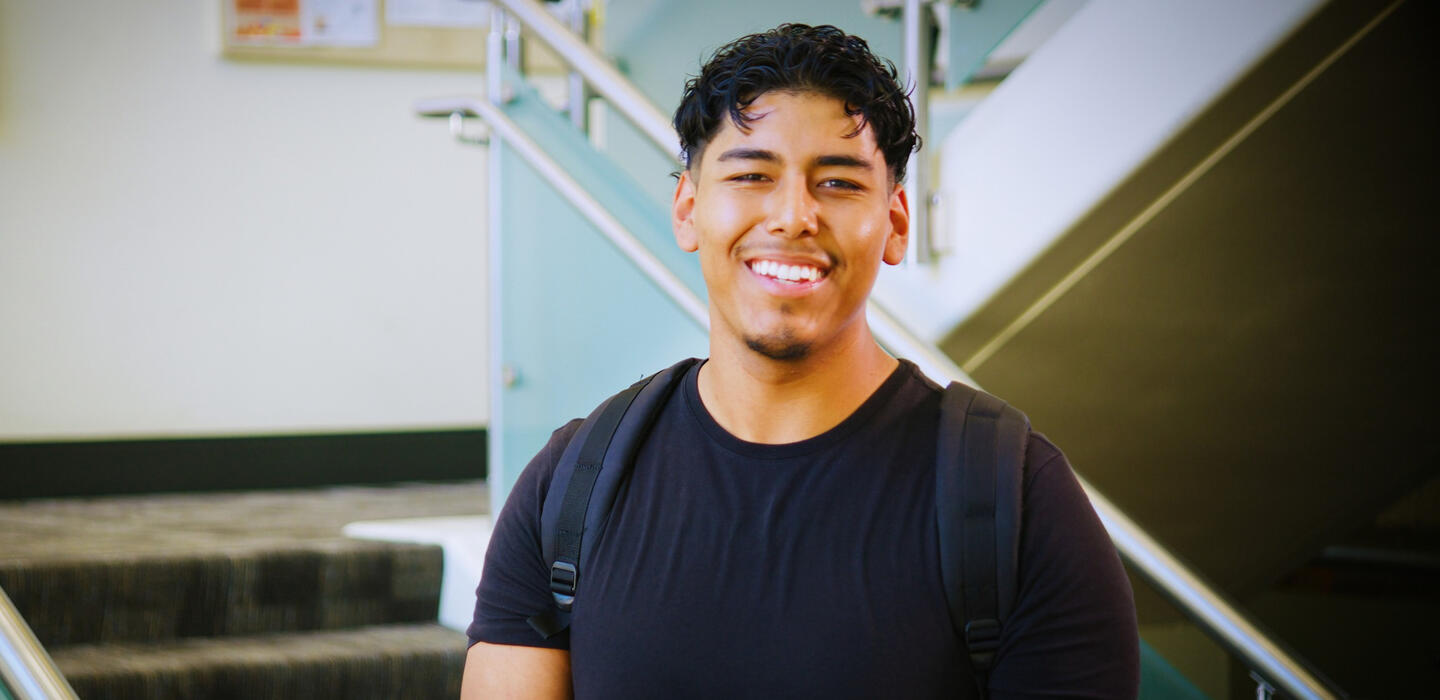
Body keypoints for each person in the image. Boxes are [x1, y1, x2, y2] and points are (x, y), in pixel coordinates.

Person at [462, 23, 1138, 699]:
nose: (793, 216)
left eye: (839, 183)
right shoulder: (571, 488)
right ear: (689, 208)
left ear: (897, 224)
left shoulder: (1013, 497)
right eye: (753, 175)